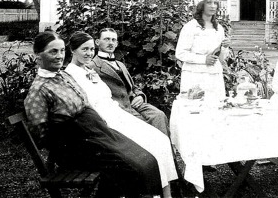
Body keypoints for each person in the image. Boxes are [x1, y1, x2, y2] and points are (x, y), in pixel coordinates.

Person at [23, 31, 163, 198]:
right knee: (130, 166)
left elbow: (84, 100)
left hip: (95, 132)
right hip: (75, 145)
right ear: (38, 56)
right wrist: (71, 130)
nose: (59, 56)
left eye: (61, 51)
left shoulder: (64, 76)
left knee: (145, 158)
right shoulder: (39, 90)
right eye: (53, 51)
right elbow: (41, 135)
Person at [64, 31, 178, 198]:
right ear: (73, 50)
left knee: (161, 140)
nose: (89, 53)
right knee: (149, 148)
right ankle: (152, 193)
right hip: (103, 120)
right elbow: (84, 105)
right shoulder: (71, 75)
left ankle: (166, 195)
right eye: (84, 49)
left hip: (116, 113)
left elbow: (107, 93)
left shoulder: (87, 69)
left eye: (91, 49)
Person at [90, 27, 170, 136]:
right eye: (106, 39)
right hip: (117, 108)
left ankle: (165, 152)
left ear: (117, 43)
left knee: (159, 116)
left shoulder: (120, 64)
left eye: (113, 40)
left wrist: (139, 95)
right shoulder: (92, 66)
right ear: (97, 42)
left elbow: (132, 87)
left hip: (133, 103)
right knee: (144, 127)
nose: (110, 43)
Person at [175, 0, 231, 100]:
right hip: (194, 74)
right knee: (194, 108)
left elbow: (221, 58)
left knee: (215, 107)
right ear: (201, 5)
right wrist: (203, 59)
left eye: (215, 3)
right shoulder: (190, 27)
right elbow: (180, 53)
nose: (213, 6)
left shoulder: (219, 28)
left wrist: (225, 47)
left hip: (214, 76)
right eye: (209, 3)